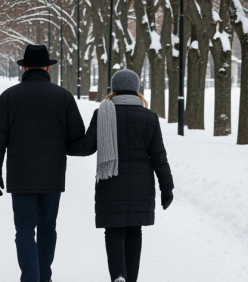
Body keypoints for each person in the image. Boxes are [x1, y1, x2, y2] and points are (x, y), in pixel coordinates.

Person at [0, 44, 86, 282]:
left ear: (25, 68)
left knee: (24, 229)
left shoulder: (9, 97)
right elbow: (77, 137)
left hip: (20, 176)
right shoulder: (63, 96)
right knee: (47, 228)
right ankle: (44, 277)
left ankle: (31, 278)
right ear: (47, 68)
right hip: (52, 175)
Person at [68, 69, 174, 282]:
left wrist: (61, 145)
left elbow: (87, 147)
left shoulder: (102, 113)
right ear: (136, 89)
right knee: (134, 230)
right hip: (141, 185)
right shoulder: (149, 117)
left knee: (114, 231)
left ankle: (118, 275)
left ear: (114, 89)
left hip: (110, 181)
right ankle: (130, 279)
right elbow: (159, 156)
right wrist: (167, 187)